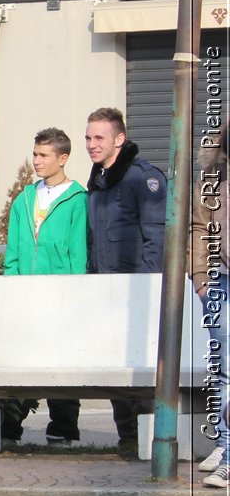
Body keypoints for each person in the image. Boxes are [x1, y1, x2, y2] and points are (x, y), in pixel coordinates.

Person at [85, 107, 166, 460]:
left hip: (136, 292)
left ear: (120, 139)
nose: (91, 144)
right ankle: (127, 437)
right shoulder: (98, 182)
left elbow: (156, 237)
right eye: (88, 137)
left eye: (99, 137)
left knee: (143, 365)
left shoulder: (142, 178)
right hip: (105, 290)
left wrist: (148, 288)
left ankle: (151, 435)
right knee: (114, 365)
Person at [1, 127, 87, 446]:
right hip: (26, 296)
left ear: (62, 158)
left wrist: (76, 292)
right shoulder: (25, 199)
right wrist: (13, 289)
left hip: (62, 297)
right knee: (22, 361)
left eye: (43, 155)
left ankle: (63, 425)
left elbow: (79, 252)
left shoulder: (78, 200)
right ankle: (9, 424)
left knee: (62, 362)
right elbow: (13, 253)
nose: (36, 160)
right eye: (35, 154)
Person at [188, 138, 229, 488]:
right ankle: (225, 449)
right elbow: (200, 228)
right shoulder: (213, 176)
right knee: (225, 368)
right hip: (221, 281)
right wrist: (201, 278)